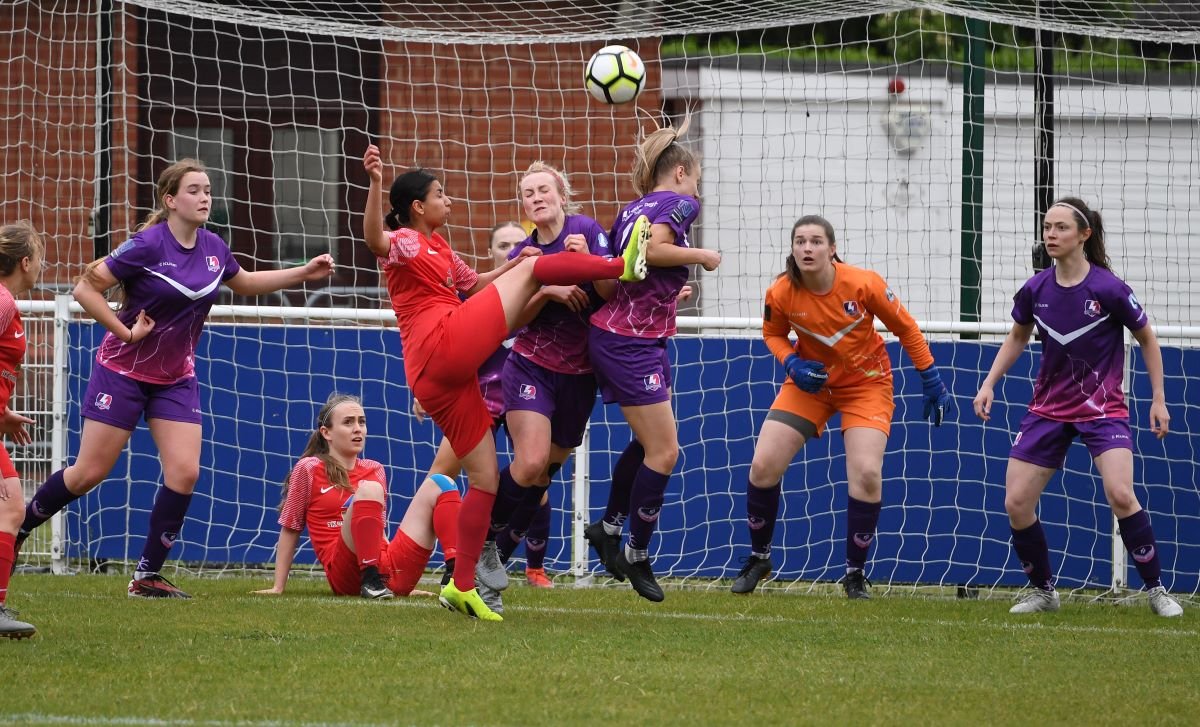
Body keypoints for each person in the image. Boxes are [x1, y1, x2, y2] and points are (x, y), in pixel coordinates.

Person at [15, 159, 335, 599]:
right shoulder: (147, 244)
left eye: (208, 189)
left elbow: (245, 283)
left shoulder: (214, 247)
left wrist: (303, 271)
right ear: (170, 200)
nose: (205, 197)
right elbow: (85, 288)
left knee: (185, 473)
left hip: (175, 376)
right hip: (122, 372)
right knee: (89, 473)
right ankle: (18, 528)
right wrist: (125, 331)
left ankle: (147, 577)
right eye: (195, 190)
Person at [361, 144, 646, 621]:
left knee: (487, 480)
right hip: (441, 344)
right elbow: (375, 240)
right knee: (537, 270)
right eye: (440, 194)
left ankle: (463, 585)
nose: (448, 201)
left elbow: (475, 285)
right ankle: (624, 264)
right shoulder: (408, 241)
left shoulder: (443, 249)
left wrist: (516, 265)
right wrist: (373, 184)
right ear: (417, 207)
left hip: (440, 379)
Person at [973, 197, 1182, 617]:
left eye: (1061, 228)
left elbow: (1147, 339)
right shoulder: (1035, 289)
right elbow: (1017, 337)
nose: (1051, 234)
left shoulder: (1108, 287)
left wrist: (1158, 399)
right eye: (1047, 227)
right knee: (1016, 502)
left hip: (1103, 409)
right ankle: (1044, 591)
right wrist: (989, 383)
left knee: (1121, 493)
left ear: (1084, 235)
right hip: (1047, 409)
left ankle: (1157, 590)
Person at [729, 215, 950, 599]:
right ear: (793, 248)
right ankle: (759, 556)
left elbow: (907, 329)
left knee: (866, 473)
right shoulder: (780, 292)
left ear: (832, 249)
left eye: (816, 241)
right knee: (763, 465)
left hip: (866, 386)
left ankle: (854, 574)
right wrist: (791, 363)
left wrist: (930, 379)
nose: (807, 248)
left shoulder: (863, 283)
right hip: (810, 386)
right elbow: (773, 334)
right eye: (800, 241)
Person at [583, 117, 722, 603]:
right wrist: (702, 254)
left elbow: (635, 269)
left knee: (648, 446)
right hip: (629, 342)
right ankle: (637, 552)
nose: (697, 187)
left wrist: (668, 295)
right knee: (666, 452)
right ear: (681, 172)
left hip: (629, 334)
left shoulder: (630, 209)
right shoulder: (681, 202)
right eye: (697, 176)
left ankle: (609, 527)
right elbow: (659, 248)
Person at [478, 163, 611, 596]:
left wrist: (586, 263)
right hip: (531, 367)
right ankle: (482, 544)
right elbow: (510, 321)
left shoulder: (587, 230)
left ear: (561, 194)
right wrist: (545, 288)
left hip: (580, 377)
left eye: (542, 190)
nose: (535, 197)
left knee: (540, 480)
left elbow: (614, 287)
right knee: (530, 462)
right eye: (527, 193)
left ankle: (490, 566)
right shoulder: (526, 255)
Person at [254, 394, 461, 600]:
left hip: (384, 566)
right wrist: (277, 587)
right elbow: (291, 527)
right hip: (347, 575)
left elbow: (377, 531)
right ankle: (370, 580)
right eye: (348, 422)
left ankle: (456, 577)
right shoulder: (309, 468)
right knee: (369, 489)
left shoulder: (375, 469)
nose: (357, 429)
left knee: (442, 483)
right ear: (326, 433)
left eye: (362, 422)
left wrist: (401, 577)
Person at [0, 221, 43, 638]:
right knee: (12, 508)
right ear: (24, 262)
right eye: (40, 258)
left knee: (12, 507)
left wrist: (4, 413)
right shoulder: (2, 301)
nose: (42, 267)